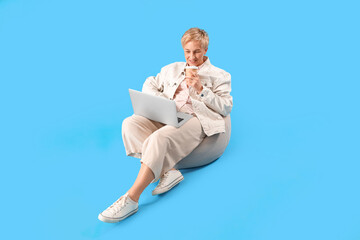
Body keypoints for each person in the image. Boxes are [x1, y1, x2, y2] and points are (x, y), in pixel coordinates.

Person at [98, 27, 233, 223]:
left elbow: (226, 107)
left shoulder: (220, 75)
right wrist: (165, 104)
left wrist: (200, 89)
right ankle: (168, 172)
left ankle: (131, 198)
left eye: (196, 51)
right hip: (170, 114)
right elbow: (149, 83)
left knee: (159, 138)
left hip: (197, 119)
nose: (192, 57)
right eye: (188, 51)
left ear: (205, 49)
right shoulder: (171, 69)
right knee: (130, 123)